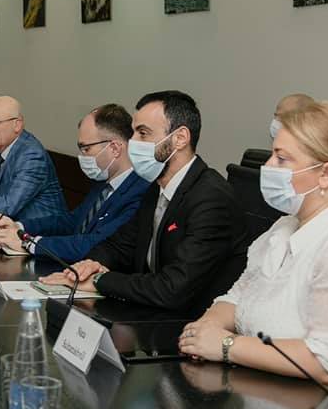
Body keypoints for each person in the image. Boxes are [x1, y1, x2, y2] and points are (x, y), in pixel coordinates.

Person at [180, 101, 328, 409]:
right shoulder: (285, 226)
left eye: (282, 158)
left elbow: (327, 363)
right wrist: (204, 330)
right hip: (282, 402)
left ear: (327, 174)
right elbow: (238, 296)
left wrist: (225, 345)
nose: (268, 166)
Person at [40, 91, 249, 314]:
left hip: (192, 322)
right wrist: (89, 266)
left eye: (143, 133)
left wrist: (100, 280)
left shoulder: (211, 198)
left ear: (180, 138)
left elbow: (173, 288)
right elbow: (119, 245)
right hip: (149, 310)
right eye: (133, 133)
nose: (132, 142)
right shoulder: (155, 188)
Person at [0, 104, 150, 262]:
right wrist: (19, 227)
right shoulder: (103, 182)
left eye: (86, 149)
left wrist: (30, 244)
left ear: (114, 148)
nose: (82, 156)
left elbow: (95, 243)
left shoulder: (140, 192)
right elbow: (71, 221)